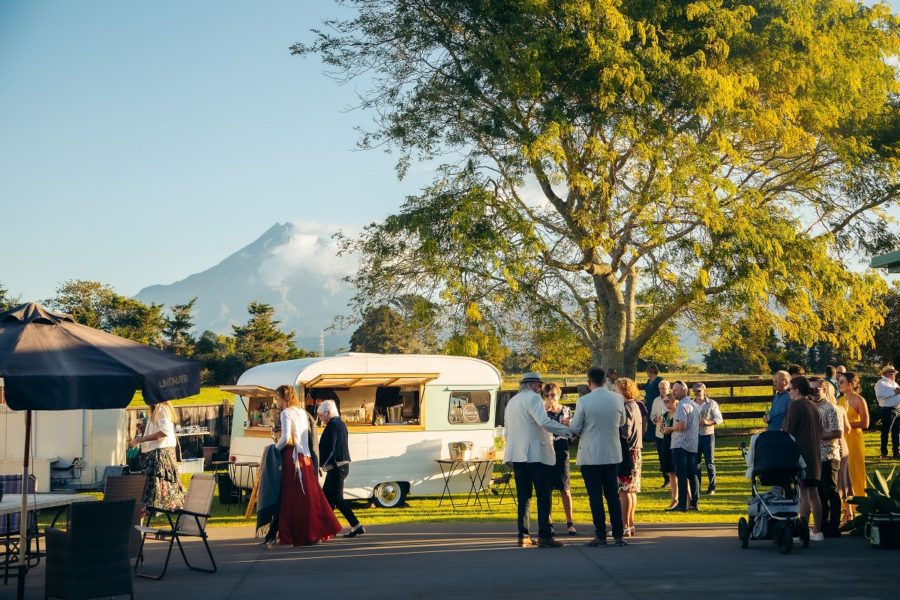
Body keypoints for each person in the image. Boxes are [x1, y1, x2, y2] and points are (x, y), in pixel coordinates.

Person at [504, 372, 572, 548]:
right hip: (535, 454)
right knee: (543, 494)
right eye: (539, 385)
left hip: (518, 454)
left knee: (524, 496)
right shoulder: (533, 399)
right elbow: (544, 422)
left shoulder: (512, 401)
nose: (540, 389)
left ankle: (523, 535)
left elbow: (507, 431)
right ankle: (545, 535)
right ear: (532, 385)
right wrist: (567, 431)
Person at [271, 384, 341, 547]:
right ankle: (313, 533)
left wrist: (274, 449)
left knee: (290, 498)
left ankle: (289, 536)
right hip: (306, 457)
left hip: (293, 457)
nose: (277, 401)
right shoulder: (302, 412)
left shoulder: (286, 413)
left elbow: (286, 437)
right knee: (309, 496)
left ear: (284, 398)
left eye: (278, 398)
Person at [570, 367, 627, 547]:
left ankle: (600, 534)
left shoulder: (584, 401)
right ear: (604, 381)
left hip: (591, 454)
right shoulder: (618, 399)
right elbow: (622, 421)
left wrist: (569, 424)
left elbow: (576, 427)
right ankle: (618, 533)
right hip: (611, 453)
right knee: (612, 494)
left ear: (589, 383)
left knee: (595, 496)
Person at [783, 376, 824, 541]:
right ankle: (817, 531)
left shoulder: (796, 406)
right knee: (813, 493)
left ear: (797, 390)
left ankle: (803, 531)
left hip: (802, 455)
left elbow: (789, 432)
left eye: (789, 389)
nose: (788, 392)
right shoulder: (813, 406)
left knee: (804, 494)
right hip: (815, 454)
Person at [316, 400, 365, 538]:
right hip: (340, 466)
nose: (320, 418)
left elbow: (331, 448)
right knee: (327, 498)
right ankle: (328, 529)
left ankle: (356, 526)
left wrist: (322, 465)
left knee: (337, 498)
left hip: (337, 467)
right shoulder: (340, 424)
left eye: (321, 415)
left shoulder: (332, 426)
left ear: (328, 412)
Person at [131, 401, 184, 513]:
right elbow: (161, 430)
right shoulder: (158, 409)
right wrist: (146, 428)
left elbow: (164, 432)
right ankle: (139, 527)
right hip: (161, 453)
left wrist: (142, 439)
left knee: (147, 496)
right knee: (148, 496)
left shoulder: (161, 408)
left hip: (160, 455)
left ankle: (138, 528)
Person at [809, 377, 842, 538]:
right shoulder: (811, 407)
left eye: (817, 389)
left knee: (830, 491)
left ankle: (834, 525)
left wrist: (818, 435)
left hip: (828, 454)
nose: (813, 393)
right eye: (810, 390)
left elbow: (838, 432)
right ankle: (822, 524)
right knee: (819, 492)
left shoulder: (831, 409)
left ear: (825, 390)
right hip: (815, 455)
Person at [542, 382, 576, 536]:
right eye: (547, 395)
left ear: (559, 395)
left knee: (565, 488)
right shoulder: (541, 411)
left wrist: (570, 426)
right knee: (546, 489)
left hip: (561, 450)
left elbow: (573, 434)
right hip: (546, 451)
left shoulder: (566, 410)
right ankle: (549, 523)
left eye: (553, 395)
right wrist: (544, 410)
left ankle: (570, 522)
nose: (550, 398)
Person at [662, 381, 699, 511]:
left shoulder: (682, 406)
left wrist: (669, 428)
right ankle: (694, 502)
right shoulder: (693, 404)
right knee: (692, 474)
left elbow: (681, 426)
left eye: (676, 390)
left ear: (684, 390)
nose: (674, 393)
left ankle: (682, 504)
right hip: (692, 443)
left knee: (681, 475)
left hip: (680, 444)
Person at [615, 377, 644, 537]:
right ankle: (630, 524)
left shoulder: (626, 407)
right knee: (631, 491)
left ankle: (624, 525)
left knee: (624, 491)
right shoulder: (636, 405)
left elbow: (625, 431)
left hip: (627, 451)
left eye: (616, 390)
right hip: (636, 451)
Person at [838, 372, 869, 502]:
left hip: (854, 438)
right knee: (843, 471)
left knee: (854, 469)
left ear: (851, 384)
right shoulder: (840, 400)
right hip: (842, 439)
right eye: (839, 381)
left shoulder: (859, 400)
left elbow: (865, 423)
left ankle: (860, 501)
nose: (839, 385)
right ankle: (846, 507)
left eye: (842, 382)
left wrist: (846, 424)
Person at [692, 383, 723, 495]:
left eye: (699, 390)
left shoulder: (712, 403)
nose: (696, 392)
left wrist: (707, 422)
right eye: (694, 390)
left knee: (710, 462)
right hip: (694, 436)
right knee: (695, 463)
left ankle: (712, 487)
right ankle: (697, 488)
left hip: (708, 435)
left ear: (704, 391)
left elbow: (719, 419)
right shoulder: (691, 404)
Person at [649, 379, 672, 487]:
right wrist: (655, 419)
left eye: (664, 388)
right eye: (660, 388)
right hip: (659, 433)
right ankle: (666, 479)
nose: (662, 390)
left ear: (669, 388)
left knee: (670, 457)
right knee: (661, 456)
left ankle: (674, 479)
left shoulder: (673, 400)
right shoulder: (656, 400)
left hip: (671, 433)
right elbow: (652, 415)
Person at [658, 394, 679, 509]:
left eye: (668, 401)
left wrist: (668, 429)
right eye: (665, 402)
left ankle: (688, 498)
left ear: (675, 401)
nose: (666, 404)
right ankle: (674, 498)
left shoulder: (679, 413)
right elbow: (663, 430)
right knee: (671, 473)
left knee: (680, 474)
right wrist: (662, 428)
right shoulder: (666, 415)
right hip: (666, 444)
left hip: (676, 444)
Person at [874, 365, 900, 459]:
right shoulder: (880, 383)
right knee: (885, 432)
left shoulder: (895, 383)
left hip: (897, 409)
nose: (894, 374)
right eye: (892, 372)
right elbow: (880, 395)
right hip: (887, 410)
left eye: (894, 372)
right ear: (886, 373)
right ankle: (883, 453)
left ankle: (896, 453)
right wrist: (894, 392)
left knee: (896, 433)